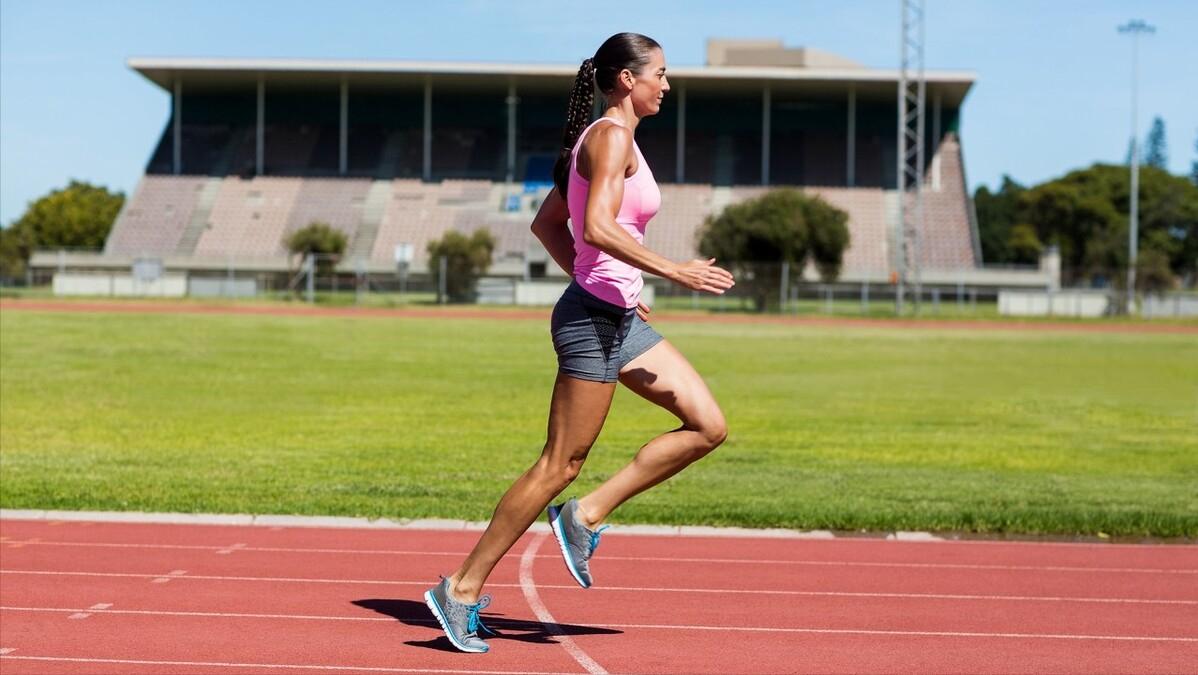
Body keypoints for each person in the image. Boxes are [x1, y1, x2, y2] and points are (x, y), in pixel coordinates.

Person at [423, 32, 735, 654]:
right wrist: (674, 270)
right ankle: (459, 590)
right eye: (661, 75)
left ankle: (583, 516)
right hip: (592, 322)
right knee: (558, 464)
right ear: (627, 79)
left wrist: (611, 278)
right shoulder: (610, 137)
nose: (667, 85)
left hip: (619, 315)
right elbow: (593, 226)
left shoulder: (605, 140)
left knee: (707, 425)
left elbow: (550, 224)